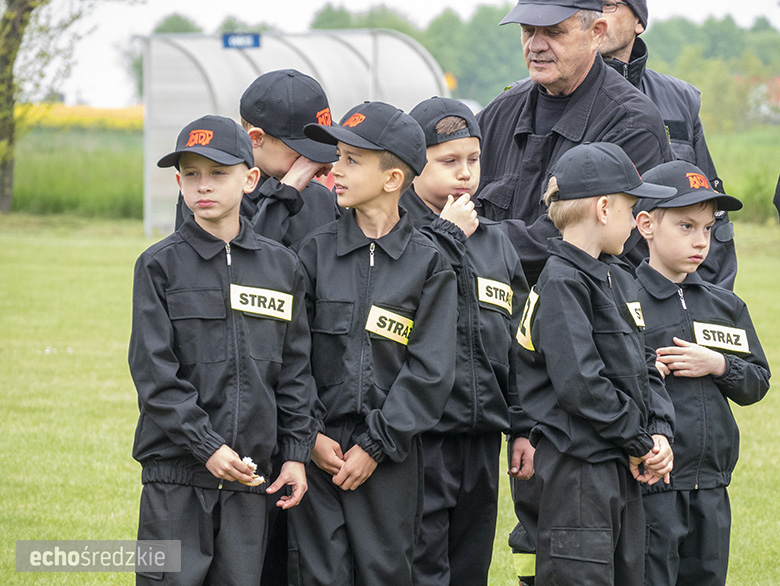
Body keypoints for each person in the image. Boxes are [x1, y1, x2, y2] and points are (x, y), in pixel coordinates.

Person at [129, 115, 315, 585]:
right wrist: (207, 446)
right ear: (178, 182)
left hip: (249, 480)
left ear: (250, 179)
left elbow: (295, 373)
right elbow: (154, 373)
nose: (203, 185)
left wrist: (294, 453)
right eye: (191, 174)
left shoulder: (283, 267)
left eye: (217, 172)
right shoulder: (158, 266)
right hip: (175, 478)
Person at [287, 101, 458, 586]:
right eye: (337, 157)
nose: (334, 170)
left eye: (350, 160)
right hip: (318, 454)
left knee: (386, 574)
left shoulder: (429, 264)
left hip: (390, 458)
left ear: (391, 179)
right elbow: (292, 356)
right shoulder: (314, 253)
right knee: (319, 575)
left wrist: (377, 445)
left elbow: (431, 370)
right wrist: (309, 436)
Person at [514, 142, 676, 585]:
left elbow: (645, 364)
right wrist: (638, 442)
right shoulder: (563, 281)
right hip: (578, 473)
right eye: (630, 208)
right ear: (604, 208)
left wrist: (657, 431)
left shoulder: (616, 276)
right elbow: (581, 384)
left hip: (619, 462)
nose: (635, 223)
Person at [401, 96, 532, 586]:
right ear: (413, 165)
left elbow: (519, 344)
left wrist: (522, 426)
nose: (465, 173)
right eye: (448, 161)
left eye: (473, 159)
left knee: (470, 565)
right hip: (419, 438)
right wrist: (444, 234)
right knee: (422, 566)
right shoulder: (397, 235)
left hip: (481, 437)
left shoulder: (496, 240)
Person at [633, 160, 771, 586]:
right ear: (646, 225)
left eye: (709, 229)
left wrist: (720, 365)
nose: (701, 241)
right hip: (653, 486)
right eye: (686, 226)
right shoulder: (623, 299)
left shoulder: (725, 306)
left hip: (712, 487)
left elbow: (757, 382)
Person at [476, 0, 674, 286]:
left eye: (554, 32)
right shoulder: (497, 116)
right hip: (495, 321)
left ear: (597, 32)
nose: (536, 45)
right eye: (528, 30)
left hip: (589, 319)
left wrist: (466, 239)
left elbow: (569, 242)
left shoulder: (631, 123)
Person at [598, 0, 738, 290]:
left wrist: (712, 305)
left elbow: (711, 212)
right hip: (600, 295)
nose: (596, 15)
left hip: (673, 296)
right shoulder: (553, 97)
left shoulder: (680, 99)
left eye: (609, 4)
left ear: (639, 21)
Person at [174, 69, 340, 247]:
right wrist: (286, 192)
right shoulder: (213, 193)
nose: (313, 161)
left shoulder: (319, 197)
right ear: (256, 139)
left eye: (320, 145)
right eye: (303, 150)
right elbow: (241, 264)